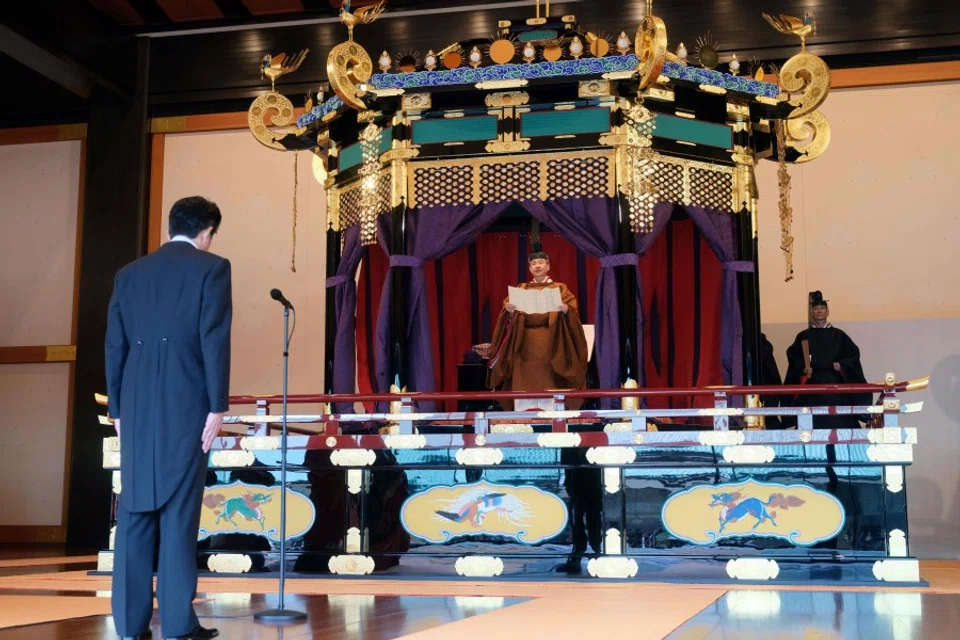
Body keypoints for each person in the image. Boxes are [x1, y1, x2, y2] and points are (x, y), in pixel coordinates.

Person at [106, 196, 231, 640]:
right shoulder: (212, 268)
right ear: (206, 232)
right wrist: (218, 405)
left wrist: (116, 409)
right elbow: (212, 339)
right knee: (179, 514)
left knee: (135, 515)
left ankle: (128, 626)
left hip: (135, 408)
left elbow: (114, 345)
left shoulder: (129, 274)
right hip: (187, 406)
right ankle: (178, 625)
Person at [487, 252, 588, 410]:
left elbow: (573, 313)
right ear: (529, 268)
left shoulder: (560, 288)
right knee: (524, 388)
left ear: (548, 266)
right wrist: (510, 312)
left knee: (550, 386)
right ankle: (523, 422)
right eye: (534, 263)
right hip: (523, 343)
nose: (538, 266)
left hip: (552, 344)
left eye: (541, 262)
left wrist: (566, 309)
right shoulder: (522, 288)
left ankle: (553, 421)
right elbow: (506, 318)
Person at [783, 291, 871, 428]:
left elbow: (853, 356)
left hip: (835, 385)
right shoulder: (803, 336)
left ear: (828, 312)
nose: (819, 311)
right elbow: (794, 358)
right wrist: (803, 368)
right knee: (811, 424)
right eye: (816, 309)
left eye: (822, 309)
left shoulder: (839, 335)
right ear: (812, 313)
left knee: (840, 423)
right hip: (812, 385)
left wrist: (841, 365)